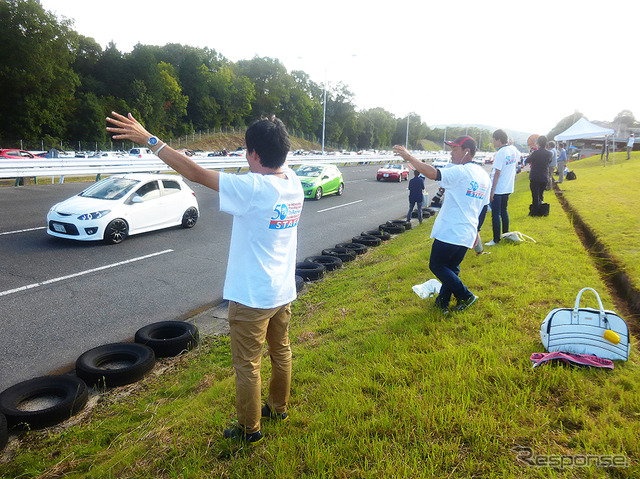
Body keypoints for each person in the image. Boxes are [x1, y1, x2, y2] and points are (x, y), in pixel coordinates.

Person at [106, 111, 303, 446]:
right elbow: (272, 154)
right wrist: (271, 130)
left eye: (247, 150)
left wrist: (151, 140)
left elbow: (194, 171)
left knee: (247, 365)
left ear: (255, 154)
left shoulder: (253, 188)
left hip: (252, 297)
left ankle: (248, 429)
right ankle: (278, 408)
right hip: (282, 290)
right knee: (280, 351)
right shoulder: (293, 182)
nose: (245, 155)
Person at [393, 136, 490, 313]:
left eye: (455, 150)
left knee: (436, 265)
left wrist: (410, 158)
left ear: (466, 151)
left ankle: (466, 296)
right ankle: (442, 302)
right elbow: (483, 207)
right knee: (452, 268)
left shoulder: (461, 172)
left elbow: (433, 173)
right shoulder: (483, 176)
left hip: (452, 230)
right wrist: (476, 231)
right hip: (467, 232)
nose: (451, 153)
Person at [485, 129, 519, 246]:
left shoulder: (501, 153)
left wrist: (492, 191)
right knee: (504, 210)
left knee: (496, 213)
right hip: (508, 187)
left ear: (498, 140)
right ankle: (506, 234)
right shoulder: (513, 149)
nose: (493, 143)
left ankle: (496, 239)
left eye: (494, 140)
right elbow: (516, 162)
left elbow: (497, 173)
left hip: (499, 188)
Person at [525, 135, 552, 207]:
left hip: (535, 176)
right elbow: (549, 162)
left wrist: (530, 154)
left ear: (538, 143)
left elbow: (527, 160)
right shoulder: (549, 153)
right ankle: (541, 208)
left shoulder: (535, 153)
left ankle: (535, 211)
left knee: (535, 196)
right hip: (544, 176)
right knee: (541, 194)